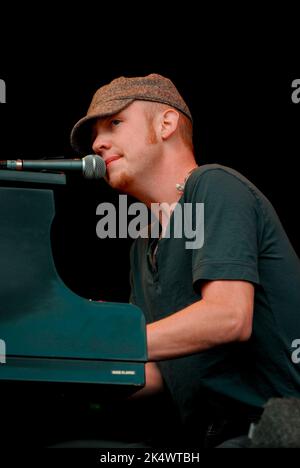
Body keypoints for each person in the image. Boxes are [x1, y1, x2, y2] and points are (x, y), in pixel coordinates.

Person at [70, 74, 300, 448]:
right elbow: (160, 369)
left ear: (166, 123)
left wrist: (110, 343)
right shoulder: (142, 243)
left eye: (114, 123)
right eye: (96, 133)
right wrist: (67, 374)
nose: (97, 143)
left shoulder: (214, 185)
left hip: (275, 430)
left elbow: (228, 317)